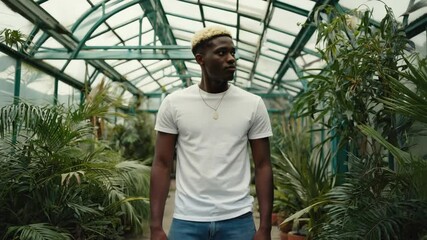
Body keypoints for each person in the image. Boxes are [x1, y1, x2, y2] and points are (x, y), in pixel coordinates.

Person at [150, 25, 273, 240]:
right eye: (221, 52)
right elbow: (161, 163)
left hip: (238, 220)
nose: (231, 58)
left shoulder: (253, 104)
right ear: (200, 59)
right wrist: (155, 227)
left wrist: (264, 227)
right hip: (187, 220)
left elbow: (263, 165)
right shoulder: (174, 104)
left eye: (233, 52)